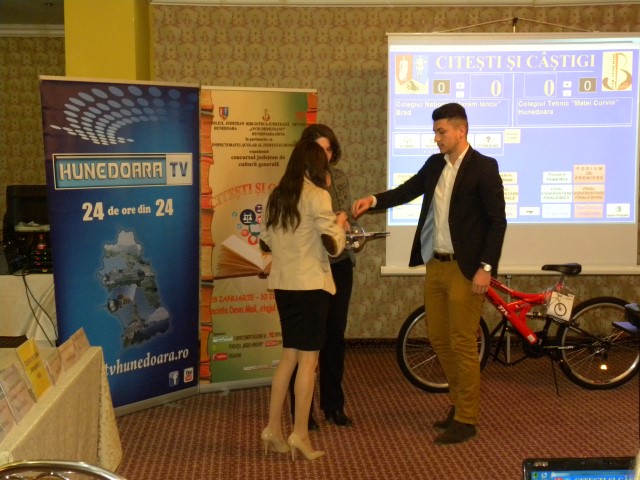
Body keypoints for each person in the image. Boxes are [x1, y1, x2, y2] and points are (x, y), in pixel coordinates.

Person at [352, 103, 507, 445]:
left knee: (462, 342)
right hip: (436, 265)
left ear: (461, 131)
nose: (436, 138)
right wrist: (373, 200)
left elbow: (498, 222)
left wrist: (486, 267)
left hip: (466, 269)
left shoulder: (484, 167)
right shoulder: (435, 164)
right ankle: (459, 403)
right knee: (438, 338)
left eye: (441, 132)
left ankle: (466, 418)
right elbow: (407, 190)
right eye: (435, 132)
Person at [259, 140, 348, 461]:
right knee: (308, 364)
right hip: (311, 287)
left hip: (284, 286)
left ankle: (272, 428)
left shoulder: (277, 195)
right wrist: (340, 224)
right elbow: (333, 245)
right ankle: (299, 434)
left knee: (288, 358)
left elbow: (265, 240)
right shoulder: (318, 196)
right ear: (316, 166)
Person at [289, 124, 356, 429]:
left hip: (338, 264)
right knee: (306, 341)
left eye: (329, 150)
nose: (324, 156)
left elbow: (343, 216)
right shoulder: (296, 182)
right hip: (310, 268)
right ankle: (302, 412)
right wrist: (335, 222)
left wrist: (344, 222)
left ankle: (333, 405)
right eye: (318, 149)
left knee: (334, 337)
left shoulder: (339, 178)